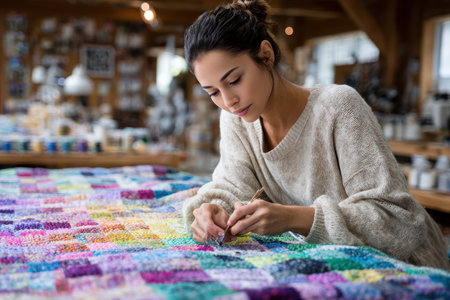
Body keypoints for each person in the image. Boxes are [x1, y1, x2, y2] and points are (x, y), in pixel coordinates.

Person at [182, 0, 450, 270]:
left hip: (408, 268)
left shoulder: (338, 108)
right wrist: (213, 211)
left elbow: (397, 220)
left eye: (234, 80)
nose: (229, 101)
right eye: (213, 92)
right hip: (336, 265)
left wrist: (294, 218)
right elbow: (233, 185)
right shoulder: (236, 119)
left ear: (266, 55)